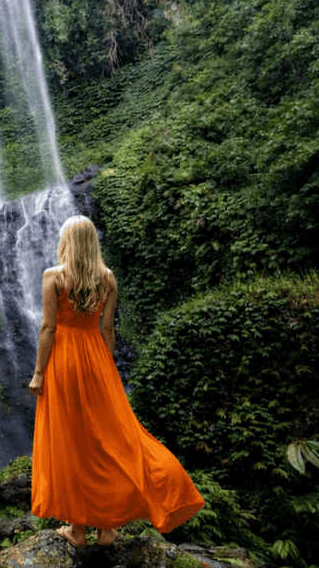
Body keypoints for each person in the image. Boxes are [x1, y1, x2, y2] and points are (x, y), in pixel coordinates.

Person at [28, 215, 205, 548]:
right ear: (93, 242)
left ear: (67, 241)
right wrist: (106, 370)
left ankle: (76, 530)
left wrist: (39, 372)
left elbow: (48, 329)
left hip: (63, 362)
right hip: (96, 360)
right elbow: (107, 329)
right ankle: (107, 529)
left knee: (73, 441)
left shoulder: (53, 277)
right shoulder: (108, 279)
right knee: (109, 439)